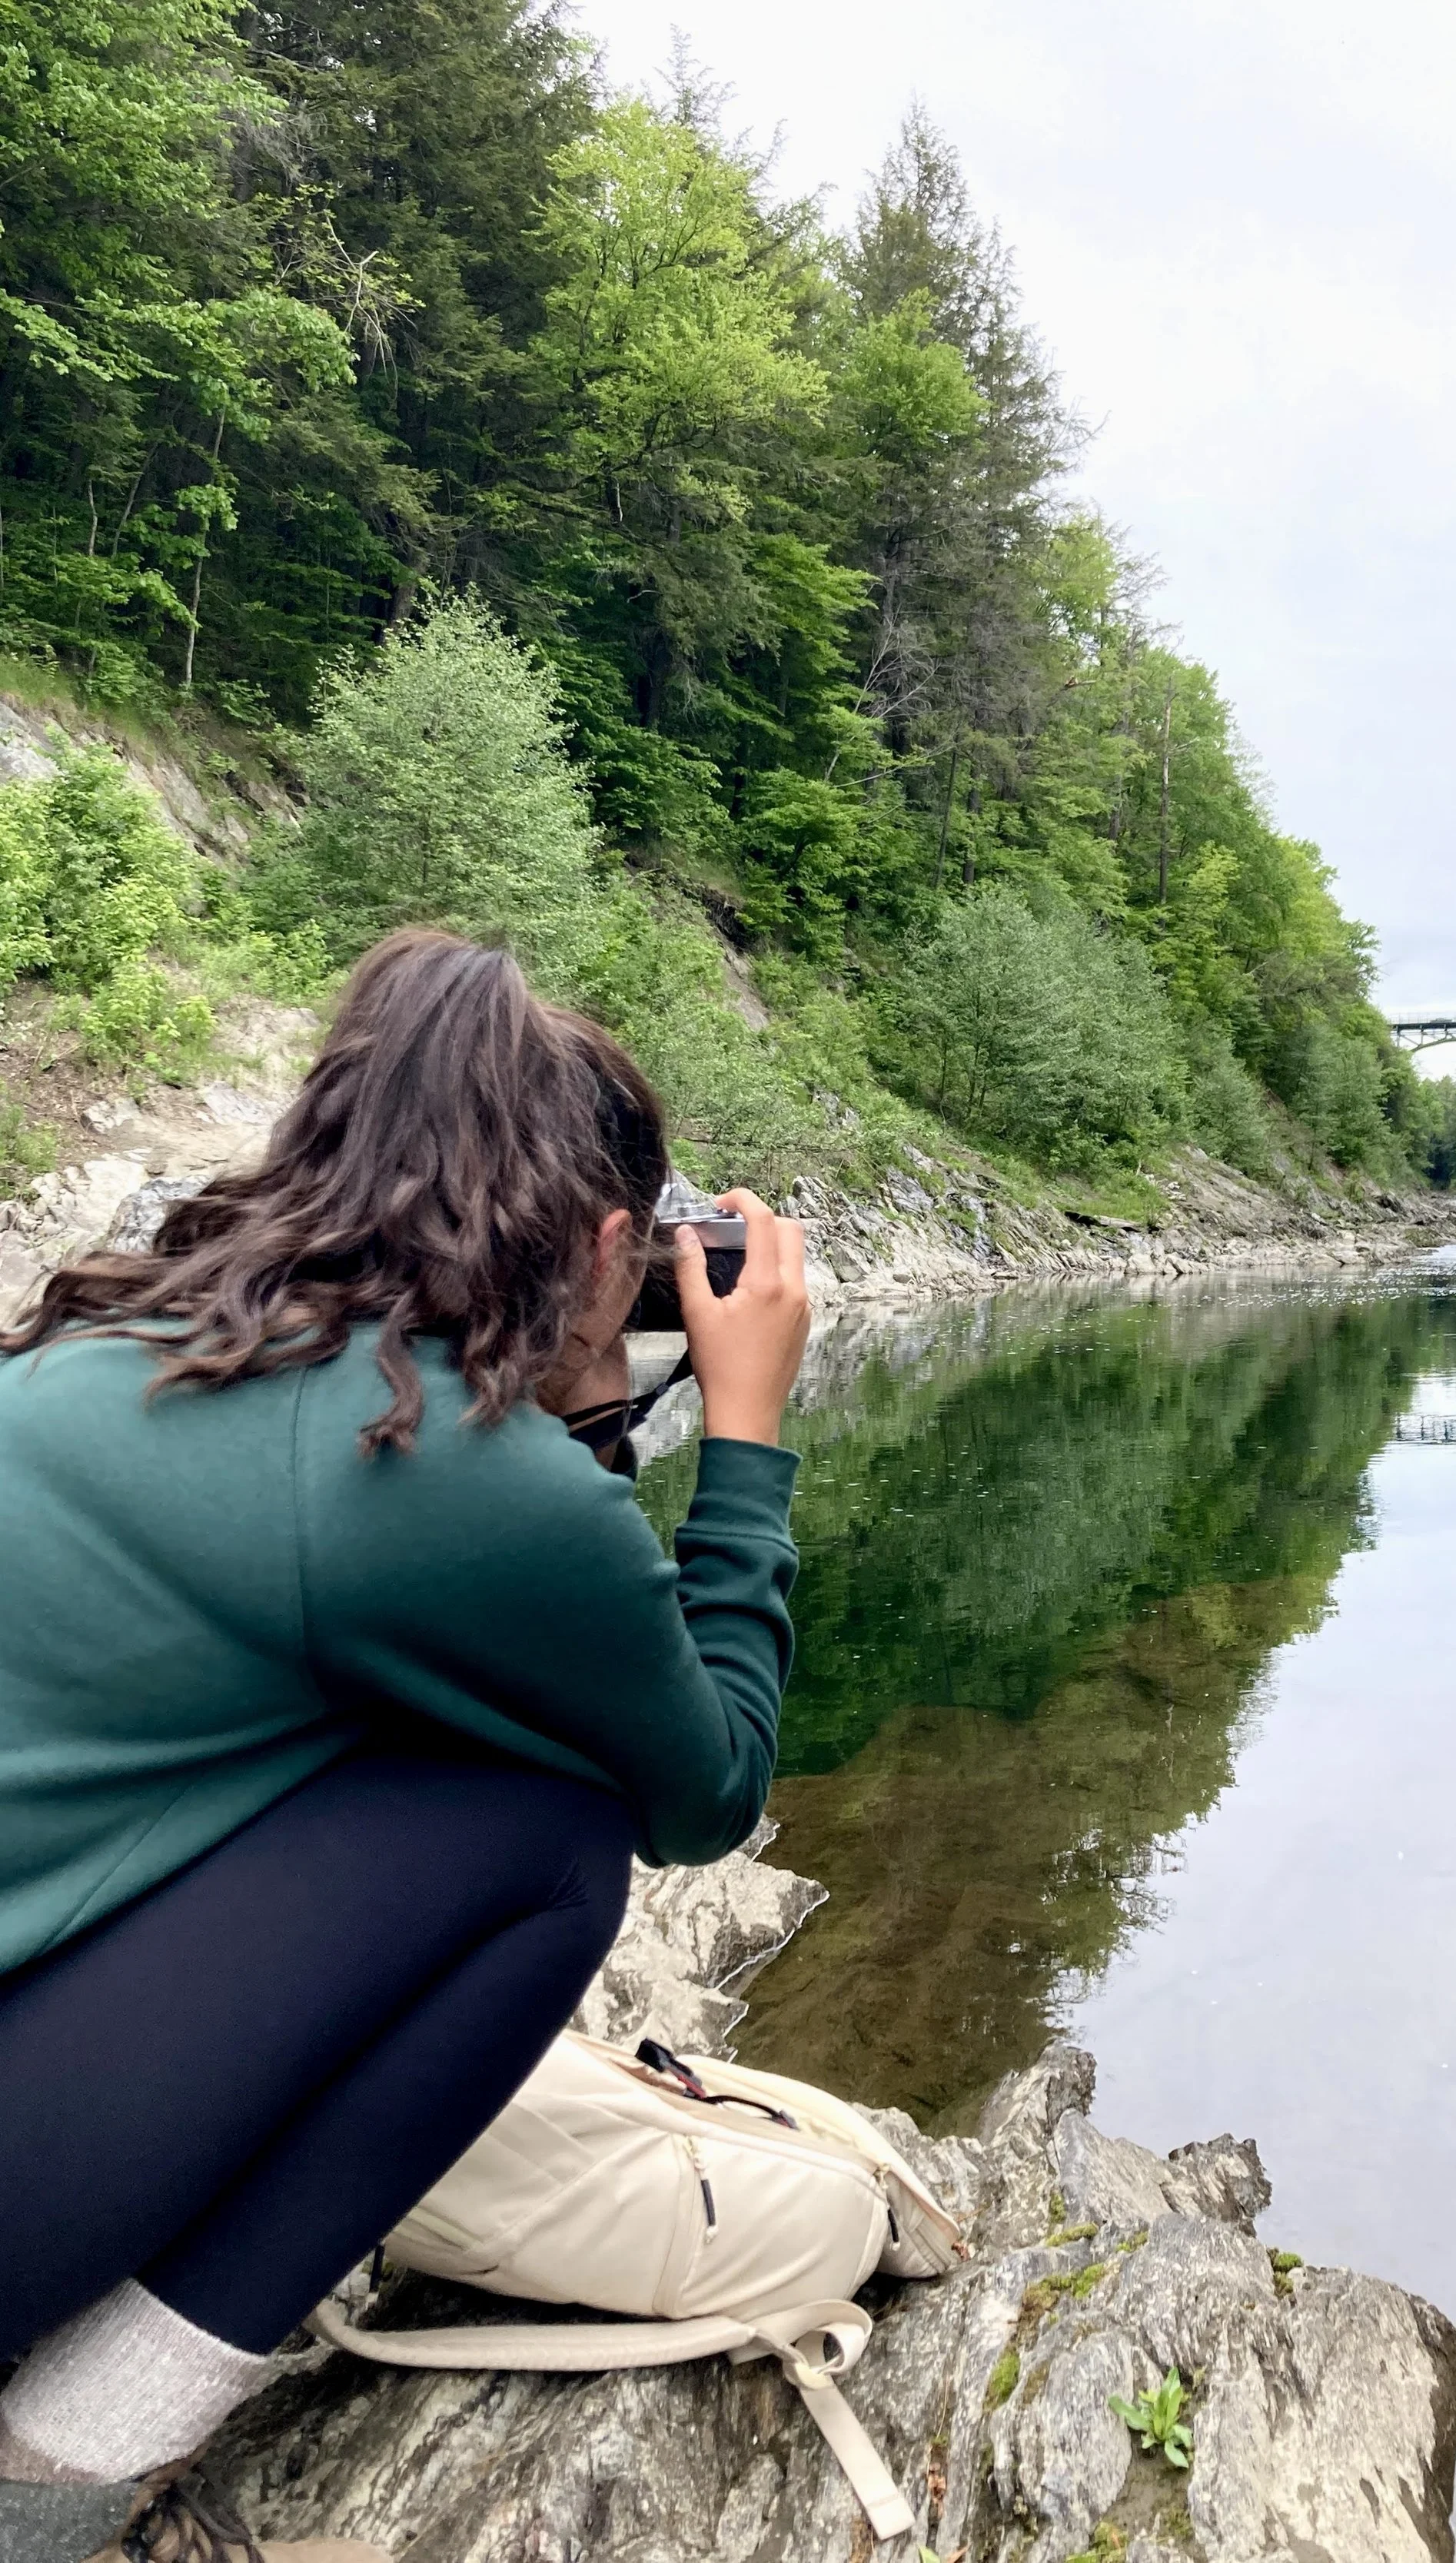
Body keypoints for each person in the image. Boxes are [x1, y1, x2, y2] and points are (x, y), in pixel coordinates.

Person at [0, 931, 811, 2563]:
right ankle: (56, 2476)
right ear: (604, 1240)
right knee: (546, 1833)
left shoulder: (145, 1336)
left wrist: (573, 1387)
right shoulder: (444, 1475)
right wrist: (744, 1432)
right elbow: (705, 1788)